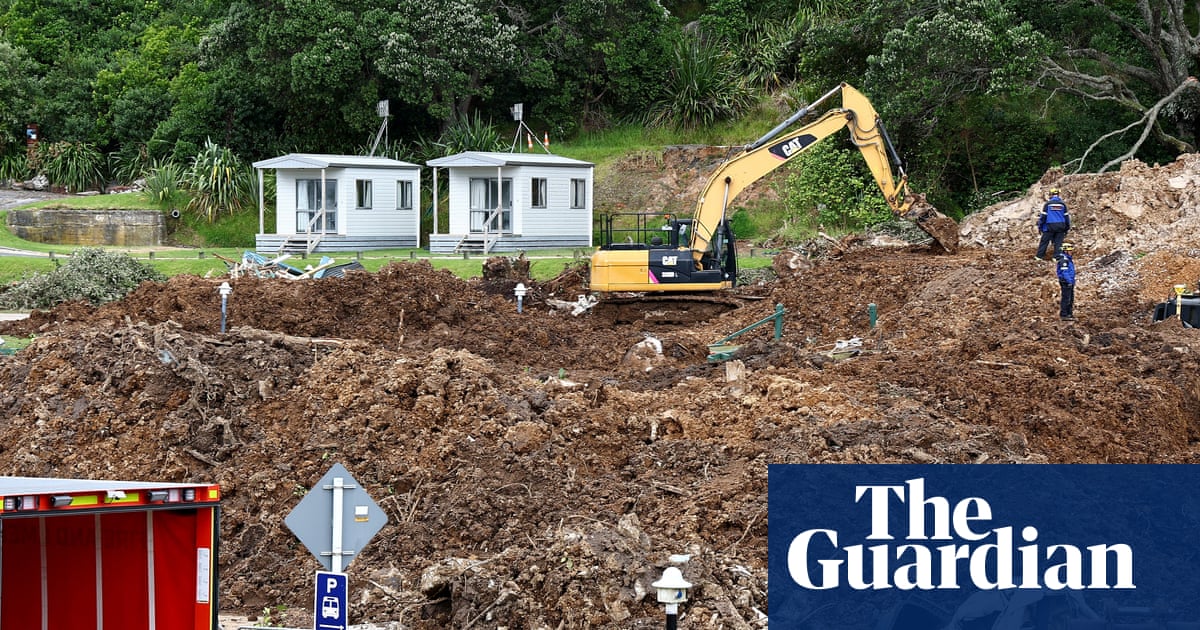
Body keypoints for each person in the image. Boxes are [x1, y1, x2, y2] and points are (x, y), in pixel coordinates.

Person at [1036, 188, 1070, 260]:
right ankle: (1056, 257)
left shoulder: (1048, 204)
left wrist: (1040, 226)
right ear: (1058, 194)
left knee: (1044, 241)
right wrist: (1067, 228)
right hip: (1061, 226)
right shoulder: (1063, 204)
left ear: (1050, 195)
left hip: (1049, 226)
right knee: (1058, 242)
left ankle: (1039, 257)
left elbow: (1043, 217)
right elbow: (1066, 217)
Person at [1055, 242, 1076, 321]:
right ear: (1065, 251)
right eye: (1070, 251)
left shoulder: (1068, 259)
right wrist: (1069, 281)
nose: (1071, 252)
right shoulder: (1064, 260)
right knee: (1066, 298)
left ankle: (1069, 313)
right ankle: (1064, 314)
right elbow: (1065, 272)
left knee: (1070, 298)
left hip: (1070, 281)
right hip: (1066, 282)